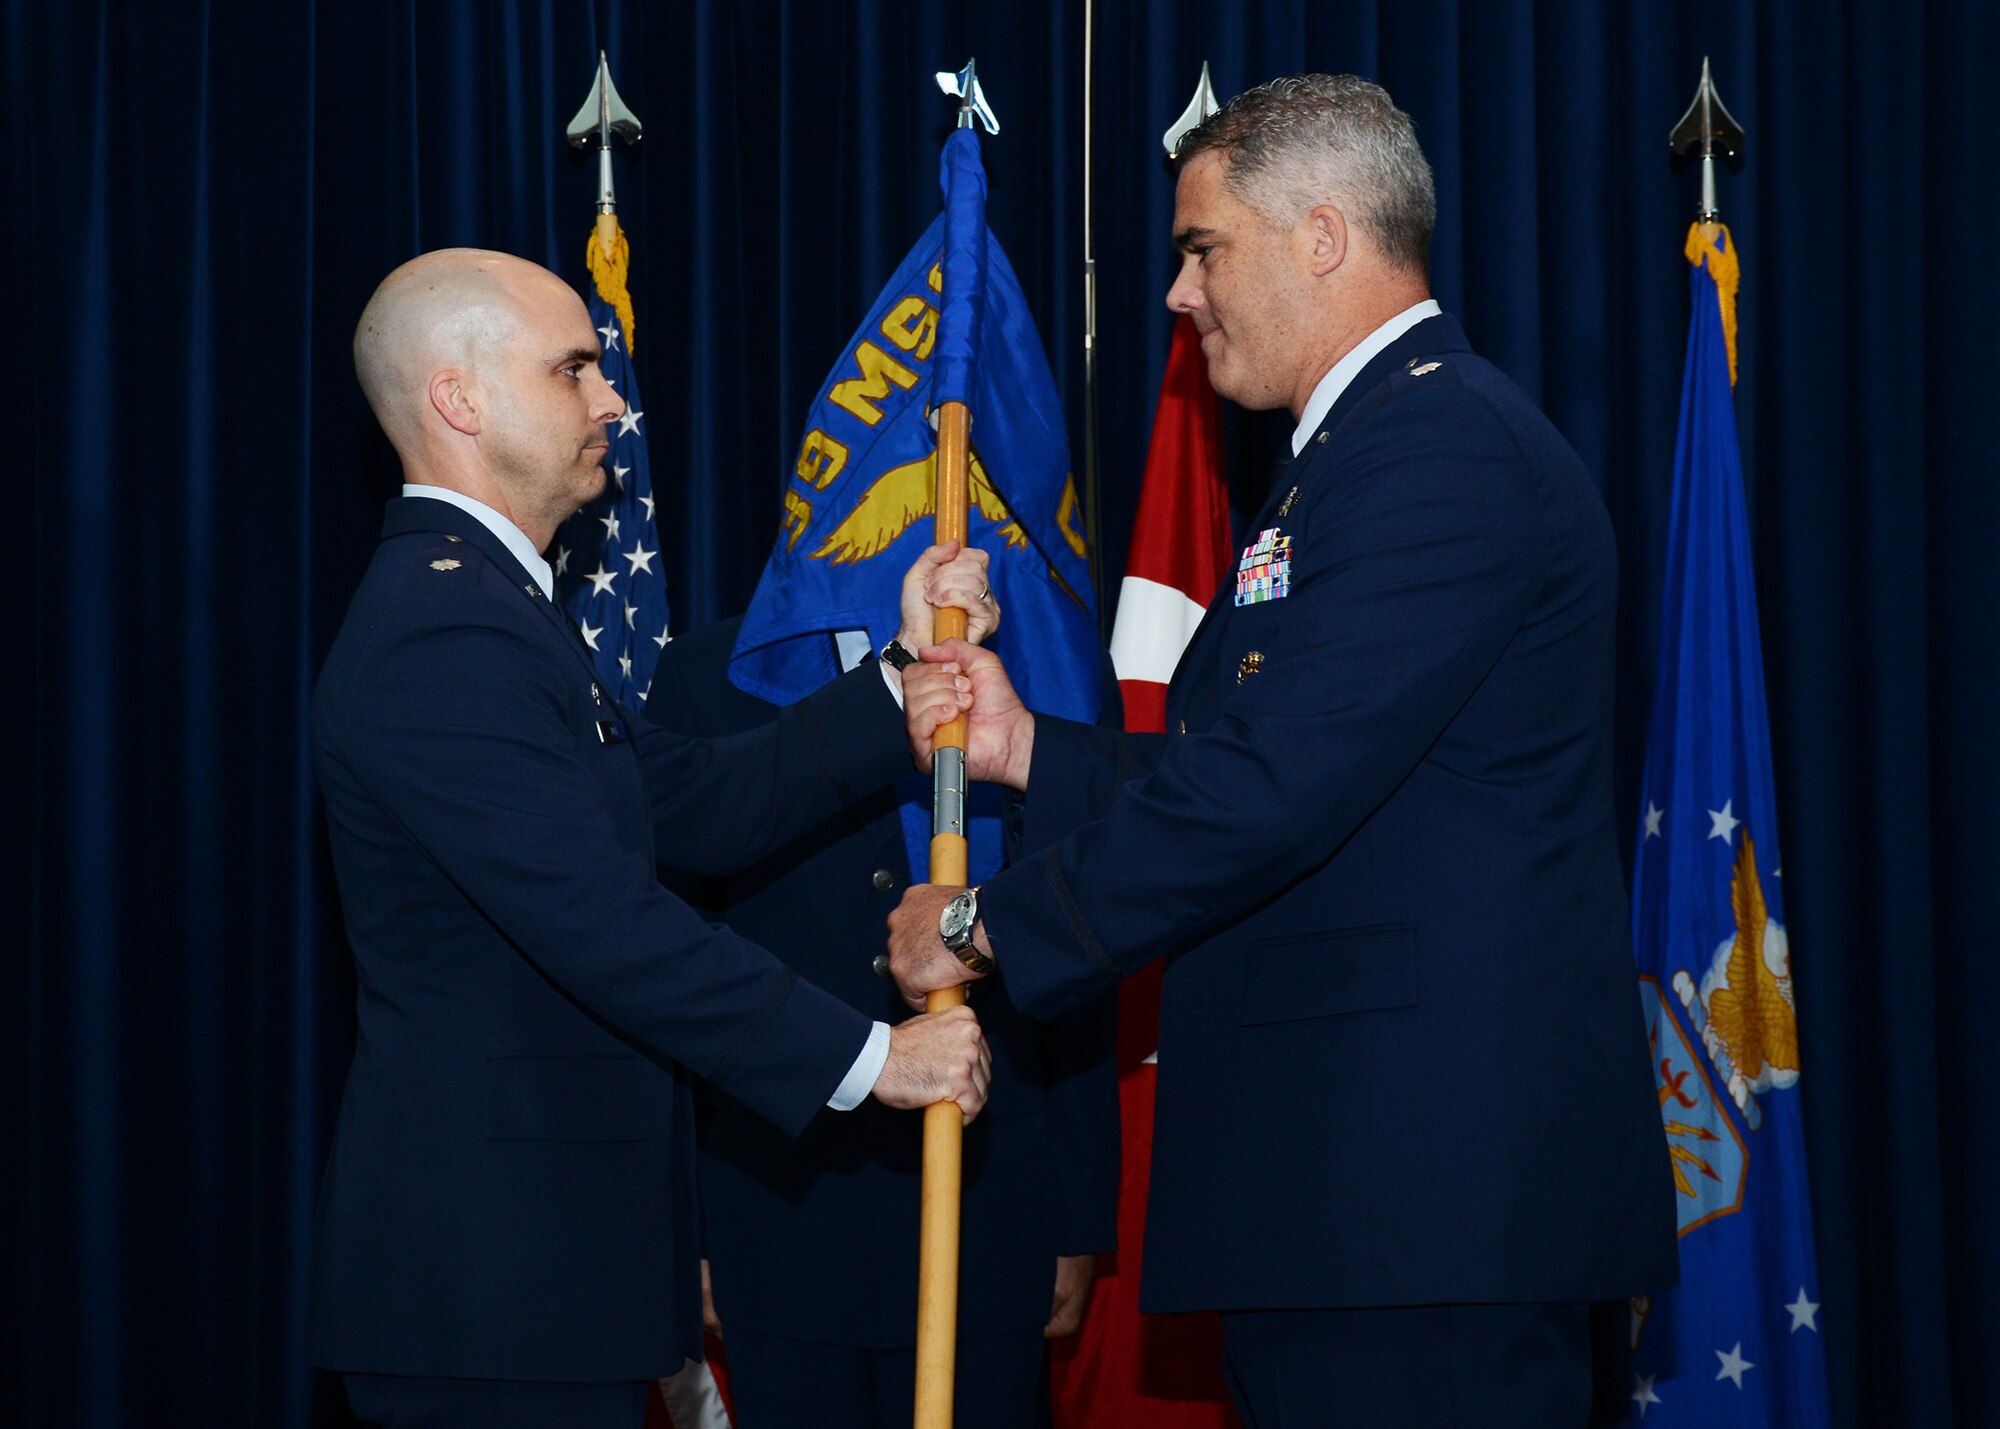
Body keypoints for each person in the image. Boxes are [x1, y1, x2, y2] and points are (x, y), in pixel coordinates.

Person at [887, 75, 1679, 1427]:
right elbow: (1300, 772)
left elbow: (1273, 789)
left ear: (1322, 234)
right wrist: (1030, 752)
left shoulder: (1444, 450)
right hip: (1354, 1205)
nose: (1178, 296)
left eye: (1202, 249)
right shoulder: (1361, 456)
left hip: (1422, 1214)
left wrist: (980, 922)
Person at [311, 248, 999, 1429]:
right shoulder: (444, 630)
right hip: (488, 1292)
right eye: (573, 368)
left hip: (541, 1278)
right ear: (458, 398)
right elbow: (602, 922)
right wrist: (875, 1061)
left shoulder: (496, 605)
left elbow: (691, 802)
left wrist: (897, 686)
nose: (611, 400)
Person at [648, 617, 1119, 1428]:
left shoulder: (1046, 657)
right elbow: (674, 957)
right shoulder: (712, 671)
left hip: (992, 1205)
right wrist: (683, 1219)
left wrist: (1076, 1214)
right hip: (778, 1213)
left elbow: (1082, 949)